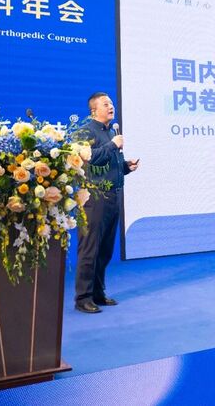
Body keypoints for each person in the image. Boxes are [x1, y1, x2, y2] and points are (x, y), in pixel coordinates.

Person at [74, 92, 139, 313]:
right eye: (106, 104)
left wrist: (126, 167)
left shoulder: (112, 132)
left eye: (111, 103)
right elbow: (90, 159)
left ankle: (98, 293)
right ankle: (83, 298)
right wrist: (112, 145)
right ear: (94, 110)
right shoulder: (84, 132)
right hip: (94, 199)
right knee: (90, 249)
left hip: (113, 197)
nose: (111, 106)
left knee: (105, 250)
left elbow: (108, 165)